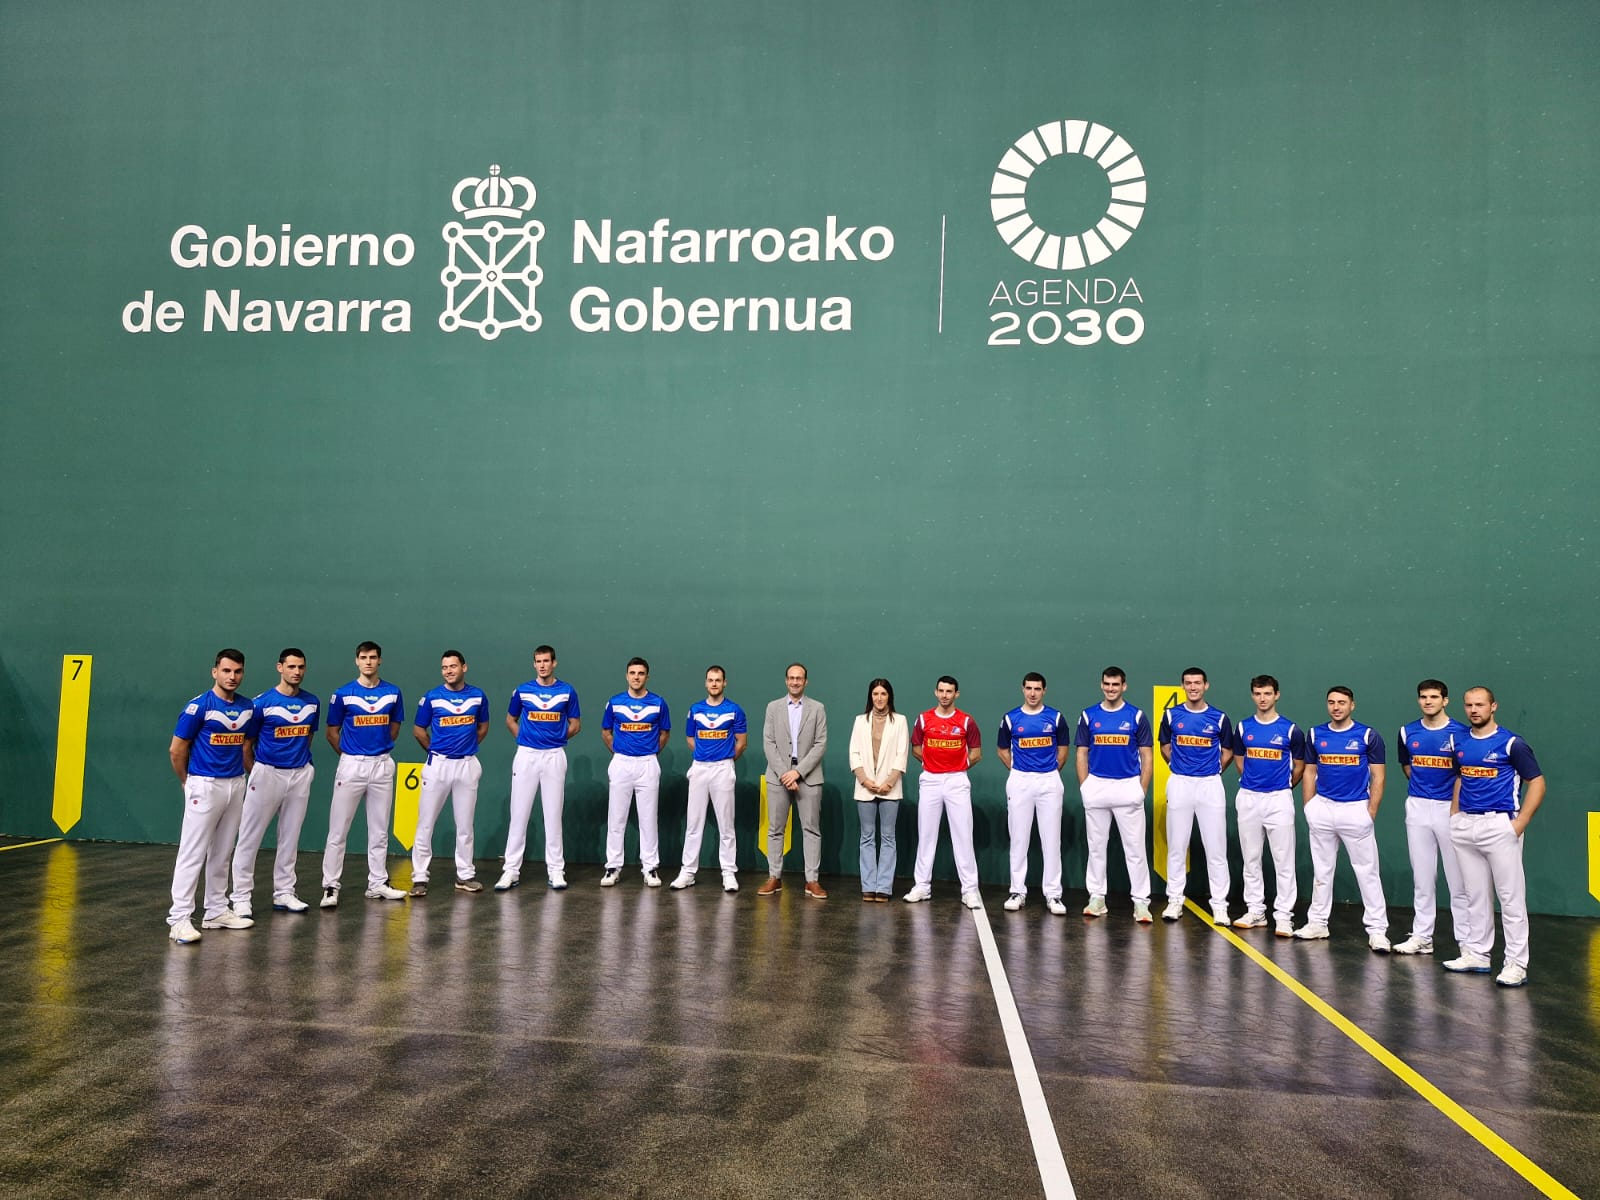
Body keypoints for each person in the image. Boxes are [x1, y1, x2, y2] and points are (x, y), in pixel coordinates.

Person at [1445, 686, 1546, 987]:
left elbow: (1537, 783)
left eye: (1480, 705)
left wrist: (1519, 823)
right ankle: (1477, 953)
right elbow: (1461, 776)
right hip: (1466, 825)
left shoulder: (1512, 743)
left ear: (1493, 707)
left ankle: (1516, 963)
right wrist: (1454, 815)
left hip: (1500, 826)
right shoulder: (1460, 742)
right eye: (1469, 705)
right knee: (1475, 895)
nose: (1474, 710)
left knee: (1510, 898)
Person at [166, 649, 256, 943]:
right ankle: (179, 918)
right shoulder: (198, 707)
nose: (232, 677)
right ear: (214, 671)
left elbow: (243, 744)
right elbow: (176, 749)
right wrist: (186, 783)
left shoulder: (247, 707)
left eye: (238, 671)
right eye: (227, 671)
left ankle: (216, 910)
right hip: (204, 785)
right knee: (192, 853)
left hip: (235, 784)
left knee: (222, 852)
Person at [1295, 686, 1390, 951]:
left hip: (1356, 809)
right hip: (1323, 809)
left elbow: (1378, 776)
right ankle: (1317, 923)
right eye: (1332, 702)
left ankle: (1377, 930)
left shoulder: (1368, 736)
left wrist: (1370, 812)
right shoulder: (1315, 734)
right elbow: (1310, 772)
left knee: (1367, 872)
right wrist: (1309, 807)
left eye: (1342, 702)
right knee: (1322, 871)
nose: (1336, 707)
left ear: (1352, 705)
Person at [229, 648, 319, 917]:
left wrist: (304, 766)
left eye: (301, 667)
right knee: (249, 837)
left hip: (300, 774)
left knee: (290, 838)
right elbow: (246, 745)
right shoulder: (261, 703)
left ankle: (284, 893)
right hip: (267, 773)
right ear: (280, 667)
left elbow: (307, 737)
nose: (297, 672)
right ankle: (241, 897)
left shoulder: (312, 702)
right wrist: (257, 772)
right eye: (291, 666)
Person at [319, 641, 408, 907]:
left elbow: (394, 727)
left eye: (373, 657)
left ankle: (377, 883)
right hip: (351, 766)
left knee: (380, 830)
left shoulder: (393, 693)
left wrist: (377, 751)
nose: (368, 661)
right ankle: (330, 887)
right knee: (338, 830)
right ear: (356, 661)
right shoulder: (343, 694)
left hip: (382, 765)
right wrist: (349, 756)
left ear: (380, 660)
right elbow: (331, 732)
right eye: (363, 657)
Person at [1392, 680, 1471, 956]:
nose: (1428, 701)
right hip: (1417, 807)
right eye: (1423, 697)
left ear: (1445, 700)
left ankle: (1468, 944)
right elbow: (1407, 765)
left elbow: (1465, 773)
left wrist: (1453, 806)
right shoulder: (1407, 731)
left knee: (1458, 881)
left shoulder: (1461, 733)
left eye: (1434, 697)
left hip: (1450, 810)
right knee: (1423, 878)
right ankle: (1423, 937)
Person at [497, 645, 581, 892]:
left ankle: (556, 870)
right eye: (538, 661)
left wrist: (555, 740)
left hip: (554, 757)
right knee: (519, 815)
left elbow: (576, 724)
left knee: (553, 816)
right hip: (526, 756)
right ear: (534, 664)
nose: (542, 665)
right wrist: (524, 740)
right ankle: (510, 871)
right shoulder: (522, 691)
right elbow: (510, 720)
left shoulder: (567, 691)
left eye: (546, 661)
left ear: (554, 663)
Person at [1075, 666, 1154, 923]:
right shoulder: (1089, 716)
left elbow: (1147, 755)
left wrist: (1141, 789)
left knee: (1135, 849)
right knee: (1096, 847)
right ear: (1102, 685)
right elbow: (1081, 753)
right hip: (1097, 786)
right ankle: (1097, 898)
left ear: (1124, 686)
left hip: (1127, 786)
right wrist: (1085, 786)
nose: (1111, 688)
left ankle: (1141, 903)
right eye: (1107, 684)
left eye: (1116, 684)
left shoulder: (1137, 716)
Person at [1229, 675, 1305, 937]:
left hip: (1279, 799)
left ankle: (1284, 916)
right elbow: (1240, 760)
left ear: (1277, 695)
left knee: (1283, 859)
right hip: (1249, 797)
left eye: (1268, 693)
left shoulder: (1290, 730)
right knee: (1251, 858)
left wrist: (1282, 786)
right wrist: (1252, 783)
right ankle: (1256, 910)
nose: (1263, 698)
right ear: (1253, 696)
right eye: (1258, 693)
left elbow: (1299, 767)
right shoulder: (1242, 728)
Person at [1157, 667, 1234, 925]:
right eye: (1188, 683)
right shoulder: (1171, 715)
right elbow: (1165, 747)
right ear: (1182, 686)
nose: (1193, 687)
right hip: (1180, 783)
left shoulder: (1219, 718)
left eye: (1197, 683)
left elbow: (1228, 751)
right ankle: (1175, 900)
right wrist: (1180, 767)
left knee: (1216, 848)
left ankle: (1220, 905)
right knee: (1177, 845)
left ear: (1206, 686)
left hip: (1210, 785)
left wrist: (1211, 771)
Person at [410, 650, 490, 896]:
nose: (448, 671)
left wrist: (466, 748)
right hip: (438, 766)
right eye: (444, 667)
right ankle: (420, 877)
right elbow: (418, 730)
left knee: (465, 825)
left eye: (453, 666)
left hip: (466, 765)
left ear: (464, 667)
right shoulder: (432, 698)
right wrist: (435, 751)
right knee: (425, 824)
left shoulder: (478, 696)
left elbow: (483, 726)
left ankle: (465, 875)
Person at [903, 676, 983, 910]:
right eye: (941, 691)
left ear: (956, 694)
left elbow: (977, 753)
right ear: (935, 692)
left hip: (957, 781)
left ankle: (969, 890)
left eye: (949, 691)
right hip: (930, 780)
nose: (945, 695)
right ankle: (922, 886)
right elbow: (916, 748)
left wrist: (958, 767)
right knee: (926, 834)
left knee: (963, 835)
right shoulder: (923, 719)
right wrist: (933, 763)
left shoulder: (967, 721)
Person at [671, 665, 748, 893]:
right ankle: (688, 872)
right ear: (706, 683)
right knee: (694, 823)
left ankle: (728, 873)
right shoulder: (695, 709)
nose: (714, 683)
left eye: (718, 680)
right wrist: (705, 757)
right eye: (710, 680)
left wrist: (723, 758)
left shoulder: (735, 710)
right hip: (699, 769)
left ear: (725, 683)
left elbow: (741, 742)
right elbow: (690, 738)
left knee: (726, 825)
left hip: (723, 769)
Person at [997, 672, 1068, 915]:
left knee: (1051, 840)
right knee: (1018, 838)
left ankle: (1054, 894)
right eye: (1029, 688)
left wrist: (1048, 772)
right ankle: (1017, 891)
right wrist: (1018, 771)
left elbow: (1063, 749)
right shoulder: (1011, 718)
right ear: (1022, 689)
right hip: (1020, 781)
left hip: (1049, 781)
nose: (1033, 693)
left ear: (1044, 690)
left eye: (1037, 688)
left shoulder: (1055, 718)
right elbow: (1002, 749)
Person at [600, 656, 671, 887]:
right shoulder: (615, 702)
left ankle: (650, 868)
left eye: (641, 673)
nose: (636, 677)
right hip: (621, 763)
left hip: (648, 764)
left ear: (647, 677)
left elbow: (664, 734)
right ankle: (613, 867)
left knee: (648, 819)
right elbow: (606, 732)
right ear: (626, 676)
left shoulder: (659, 703)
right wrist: (620, 751)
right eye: (632, 673)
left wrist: (649, 752)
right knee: (616, 817)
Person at [760, 663, 828, 898]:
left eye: (799, 678)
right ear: (786, 680)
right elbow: (768, 743)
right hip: (778, 777)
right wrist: (784, 773)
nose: (795, 682)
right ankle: (774, 877)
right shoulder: (773, 707)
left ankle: (812, 881)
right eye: (791, 678)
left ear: (806, 681)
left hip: (808, 777)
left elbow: (820, 744)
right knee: (775, 829)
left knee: (811, 830)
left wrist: (797, 772)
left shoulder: (818, 708)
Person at [849, 678, 908, 901]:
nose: (879, 698)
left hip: (889, 789)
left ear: (889, 696)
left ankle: (883, 887)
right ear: (870, 696)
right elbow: (854, 753)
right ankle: (868, 886)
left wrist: (889, 782)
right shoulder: (860, 721)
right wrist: (864, 780)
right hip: (865, 788)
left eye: (883, 694)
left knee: (888, 837)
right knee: (867, 837)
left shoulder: (900, 721)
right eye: (875, 694)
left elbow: (902, 754)